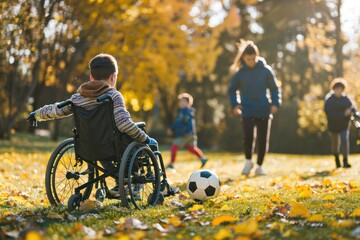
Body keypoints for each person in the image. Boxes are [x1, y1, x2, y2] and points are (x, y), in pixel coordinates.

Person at [27, 53, 158, 196]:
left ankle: (122, 182)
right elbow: (124, 124)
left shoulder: (77, 98)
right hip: (114, 147)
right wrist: (145, 138)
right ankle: (147, 184)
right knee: (149, 142)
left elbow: (57, 109)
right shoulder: (113, 96)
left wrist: (37, 114)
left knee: (107, 146)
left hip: (89, 146)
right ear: (113, 76)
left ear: (91, 77)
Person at [228, 40, 281, 176]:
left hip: (264, 109)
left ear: (257, 56)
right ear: (244, 58)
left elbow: (274, 88)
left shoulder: (265, 70)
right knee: (248, 137)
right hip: (247, 110)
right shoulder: (240, 73)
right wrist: (235, 104)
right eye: (248, 59)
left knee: (263, 139)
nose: (251, 61)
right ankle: (248, 162)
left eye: (253, 58)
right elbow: (232, 90)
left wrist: (275, 103)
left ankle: (259, 166)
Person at [166, 93, 207, 169]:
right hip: (190, 134)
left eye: (183, 102)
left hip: (185, 134)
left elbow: (186, 123)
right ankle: (203, 158)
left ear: (188, 103)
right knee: (191, 148)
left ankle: (171, 163)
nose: (180, 103)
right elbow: (177, 123)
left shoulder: (186, 112)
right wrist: (172, 128)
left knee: (174, 147)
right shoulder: (183, 112)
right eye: (180, 102)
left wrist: (183, 132)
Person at [324, 78, 357, 168]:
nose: (338, 91)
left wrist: (351, 110)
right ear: (333, 89)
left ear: (343, 90)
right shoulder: (329, 100)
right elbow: (329, 113)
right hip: (333, 125)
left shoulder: (346, 99)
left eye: (340, 89)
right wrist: (343, 114)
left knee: (344, 140)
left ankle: (345, 161)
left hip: (344, 125)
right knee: (335, 143)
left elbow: (353, 108)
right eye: (337, 89)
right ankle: (337, 160)